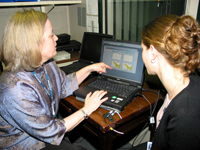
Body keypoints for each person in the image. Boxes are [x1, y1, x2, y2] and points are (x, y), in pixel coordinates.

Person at [0, 9, 112, 150]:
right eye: (51, 35)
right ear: (34, 43)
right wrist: (86, 110)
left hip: (46, 130)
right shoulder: (14, 88)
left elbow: (64, 85)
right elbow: (51, 132)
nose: (56, 38)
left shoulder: (47, 63)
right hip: (26, 144)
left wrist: (90, 69)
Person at [132, 14, 200, 150]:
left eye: (142, 49)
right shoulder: (187, 82)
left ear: (152, 53)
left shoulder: (184, 117)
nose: (142, 55)